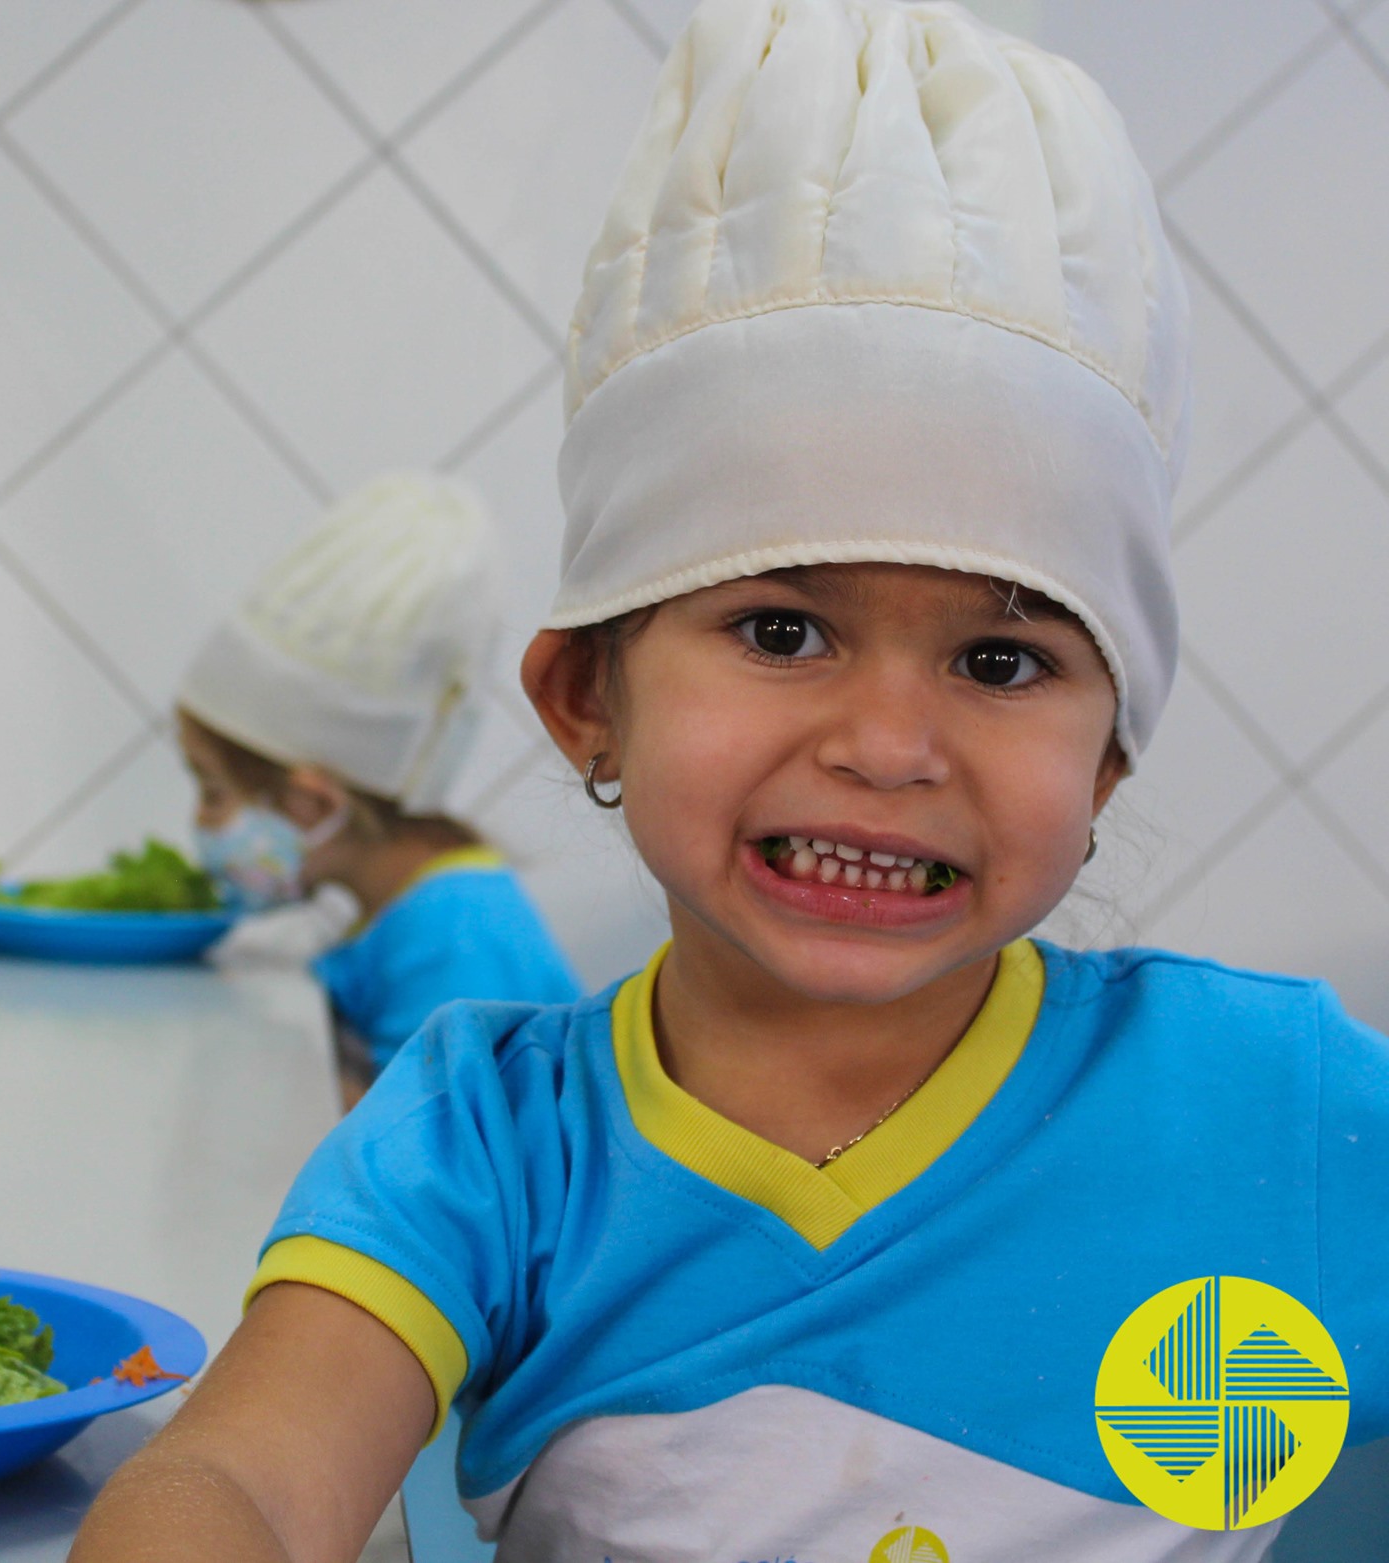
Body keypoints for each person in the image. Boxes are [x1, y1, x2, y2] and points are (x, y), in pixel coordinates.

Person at [77, 1, 1389, 1557]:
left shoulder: (1277, 1112)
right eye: (782, 627)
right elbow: (238, 1476)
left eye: (1000, 660)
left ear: (1109, 751)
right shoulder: (492, 1147)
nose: (890, 745)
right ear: (587, 701)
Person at [178, 471, 579, 1107]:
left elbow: (450, 1169)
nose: (200, 820)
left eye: (212, 791)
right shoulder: (403, 911)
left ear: (313, 804)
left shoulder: (455, 936)